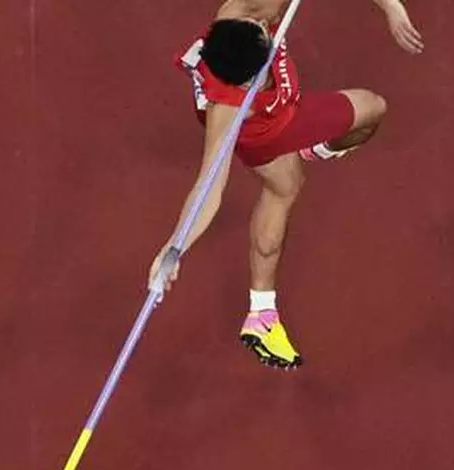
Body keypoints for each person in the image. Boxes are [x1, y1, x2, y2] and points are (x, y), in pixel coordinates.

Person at [148, 0, 423, 369]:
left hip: (287, 107)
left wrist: (390, 7)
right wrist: (175, 246)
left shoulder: (251, 8)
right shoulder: (228, 106)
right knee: (286, 184)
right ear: (247, 82)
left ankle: (314, 149)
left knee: (370, 112)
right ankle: (262, 316)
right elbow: (208, 186)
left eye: (263, 30)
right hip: (264, 131)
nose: (268, 32)